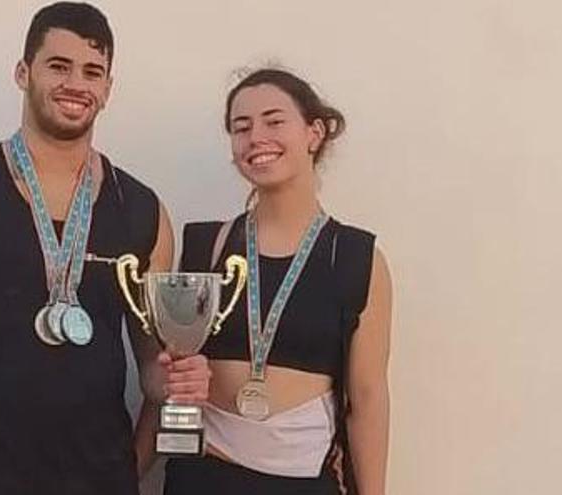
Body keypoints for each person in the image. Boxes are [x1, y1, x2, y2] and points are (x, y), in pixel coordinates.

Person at [0, 3, 209, 494]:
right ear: (23, 72)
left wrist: (143, 446)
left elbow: (154, 363)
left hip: (98, 477)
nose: (76, 83)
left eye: (92, 71)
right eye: (58, 66)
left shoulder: (142, 210)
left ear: (107, 89)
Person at [164, 68, 392, 495]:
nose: (256, 138)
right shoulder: (205, 247)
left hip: (302, 483)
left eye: (274, 121)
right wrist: (176, 378)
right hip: (206, 476)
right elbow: (167, 376)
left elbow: (368, 399)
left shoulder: (357, 258)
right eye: (241, 127)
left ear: (314, 132)